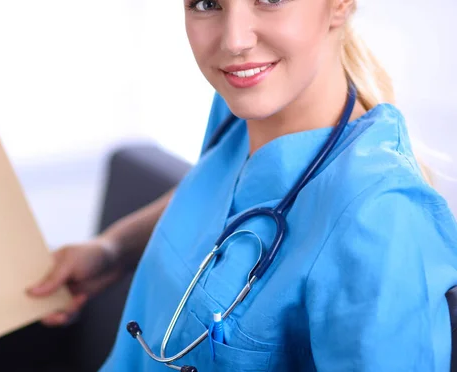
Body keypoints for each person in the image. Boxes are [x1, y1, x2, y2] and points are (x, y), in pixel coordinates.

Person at [27, 0, 457, 370]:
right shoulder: (245, 104)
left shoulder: (383, 218)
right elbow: (221, 195)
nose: (234, 41)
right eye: (206, 3)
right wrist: (113, 250)